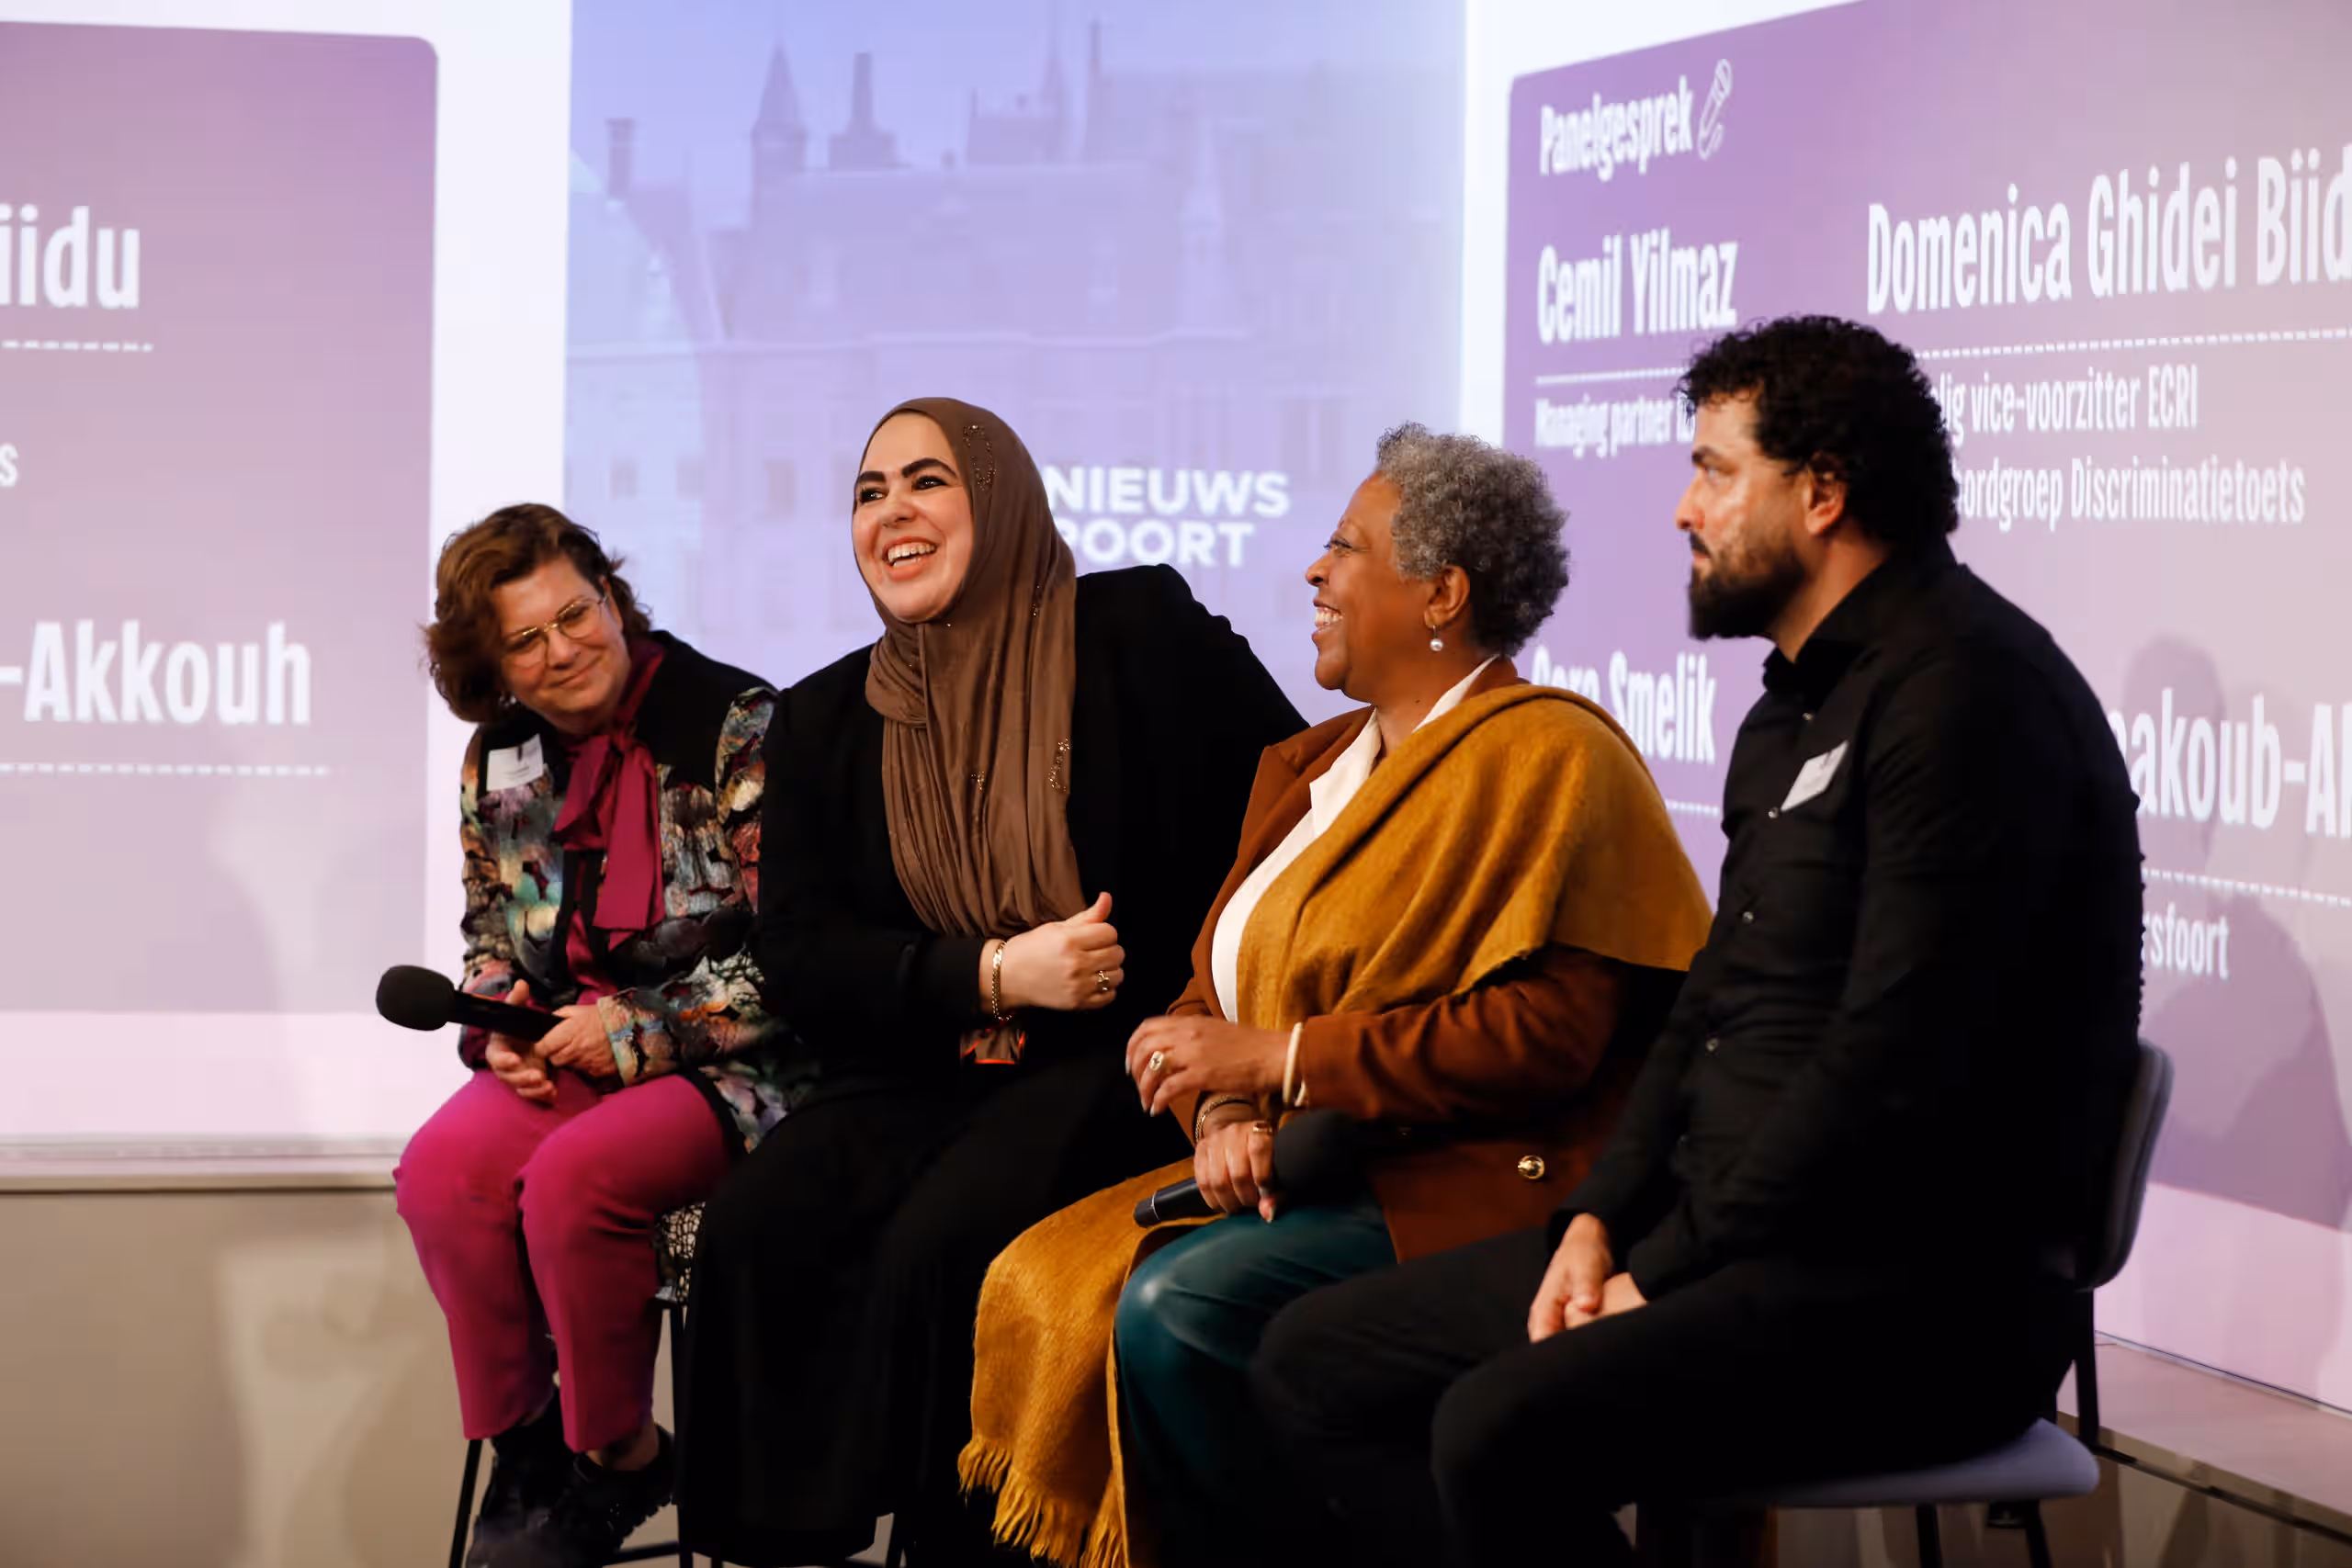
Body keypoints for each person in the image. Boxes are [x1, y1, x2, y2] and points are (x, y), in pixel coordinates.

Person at [1250, 317, 2146, 1566]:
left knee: (1494, 1427)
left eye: (1716, 471)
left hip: (1918, 1289)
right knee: (1311, 1361)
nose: (1683, 508)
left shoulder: (1969, 695)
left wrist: (1664, 1268)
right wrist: (1597, 1222)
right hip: (1744, 1239)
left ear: (1822, 494)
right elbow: (1709, 1010)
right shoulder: (1792, 709)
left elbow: (1888, 1063)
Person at [956, 424, 1715, 1568]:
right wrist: (1222, 1112)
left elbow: (1549, 1038)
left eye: (1344, 548)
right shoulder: (1307, 769)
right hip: (1318, 1167)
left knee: (1176, 1312)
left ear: (1441, 594)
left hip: (1475, 1179)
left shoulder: (1552, 755)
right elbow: (1210, 990)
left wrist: (1283, 1064)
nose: (1313, 571)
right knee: (1040, 1278)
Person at [674, 398, 1303, 1566]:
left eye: (928, 481)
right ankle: (782, 1545)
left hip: (1122, 1057)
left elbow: (1290, 816)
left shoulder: (1137, 632)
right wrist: (989, 971)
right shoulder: (822, 716)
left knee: (946, 1241)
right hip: (921, 1067)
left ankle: (957, 1543)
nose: (892, 513)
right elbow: (798, 954)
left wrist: (1224, 1039)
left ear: (1001, 501)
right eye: (868, 493)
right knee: (759, 1225)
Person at [395, 504, 795, 1568]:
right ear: (493, 664)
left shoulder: (736, 724)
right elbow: (491, 933)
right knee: (440, 1174)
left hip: (737, 1062)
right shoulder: (499, 758)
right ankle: (528, 1447)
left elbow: (800, 960)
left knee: (576, 1179)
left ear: (614, 600)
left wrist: (631, 1032)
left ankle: (618, 1455)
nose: (563, 649)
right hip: (569, 1049)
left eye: (576, 614)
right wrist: (496, 1030)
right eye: (526, 639)